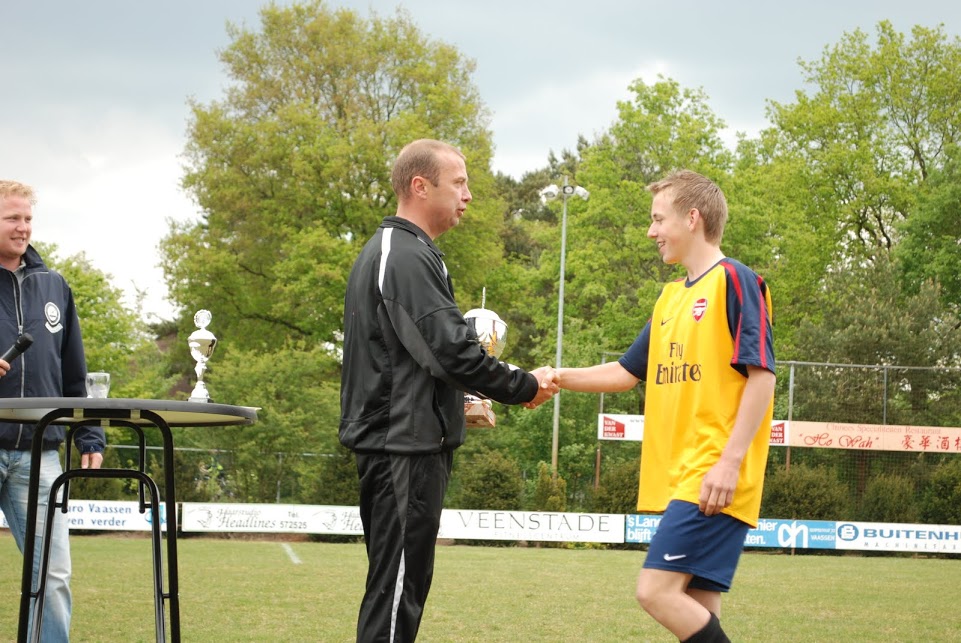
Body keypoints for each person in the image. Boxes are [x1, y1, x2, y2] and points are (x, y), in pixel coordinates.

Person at [340, 139, 557, 642]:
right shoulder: (404, 255)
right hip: (402, 447)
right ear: (420, 186)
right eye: (459, 183)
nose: (468, 195)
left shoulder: (406, 252)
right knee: (397, 591)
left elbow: (418, 359)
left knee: (402, 587)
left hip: (406, 442)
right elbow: (451, 353)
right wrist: (523, 385)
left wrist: (463, 400)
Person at [556, 170, 775, 643]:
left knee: (654, 591)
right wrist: (555, 377)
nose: (651, 231)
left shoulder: (735, 280)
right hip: (684, 475)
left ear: (692, 218)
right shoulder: (671, 298)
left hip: (712, 473)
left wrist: (729, 462)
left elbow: (762, 376)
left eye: (658, 219)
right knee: (697, 608)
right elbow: (625, 372)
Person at [0, 180, 104, 642]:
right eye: (12, 218)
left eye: (27, 219)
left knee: (53, 577)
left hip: (40, 451)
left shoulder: (54, 285)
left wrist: (89, 434)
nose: (22, 228)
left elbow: (73, 371)